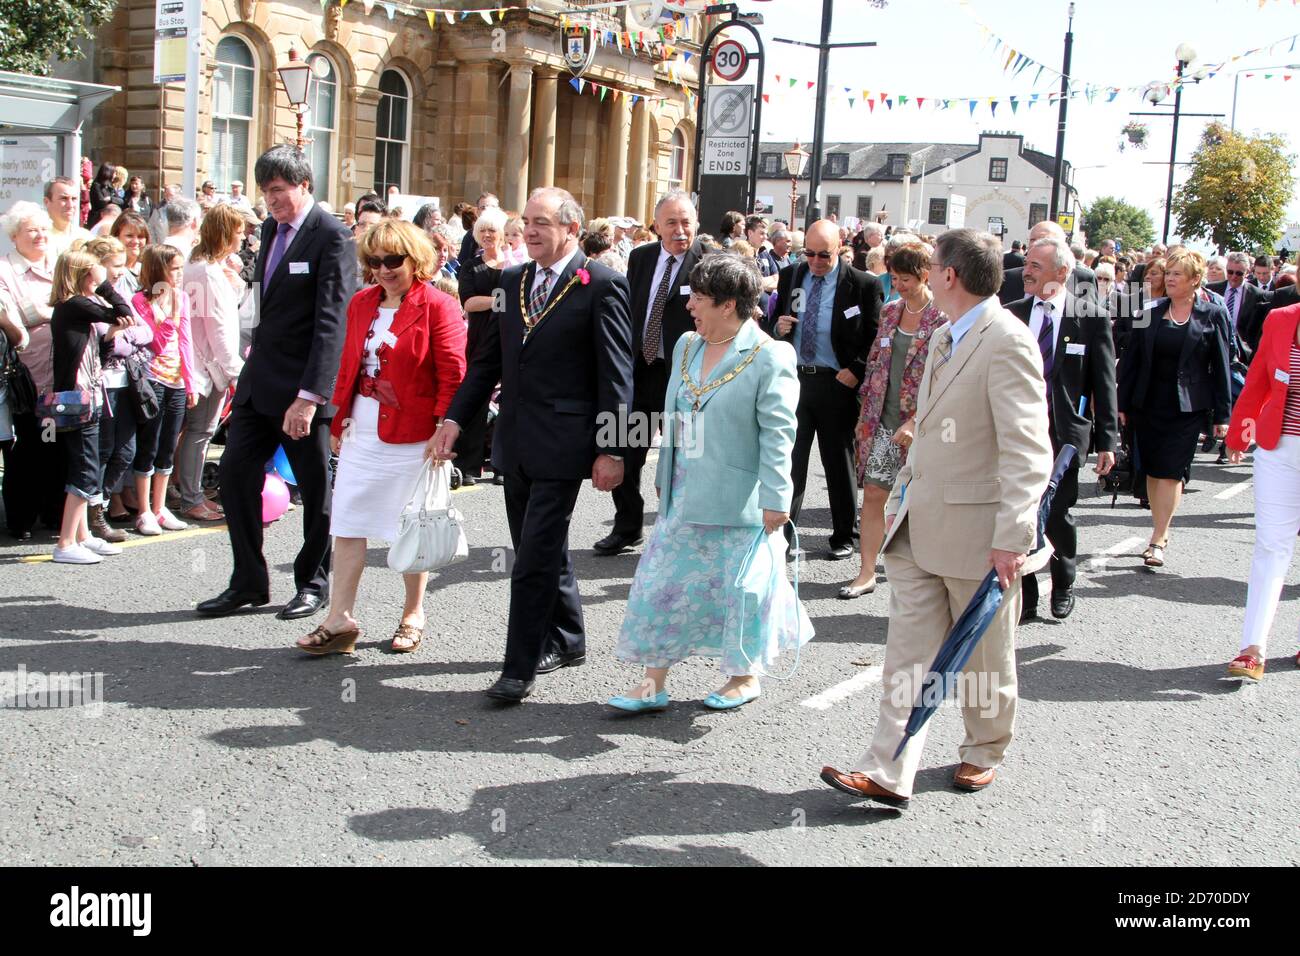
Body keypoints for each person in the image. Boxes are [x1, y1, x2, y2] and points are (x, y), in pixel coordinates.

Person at [820, 228, 1053, 808]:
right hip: (918, 524)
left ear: (948, 275)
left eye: (933, 265)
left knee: (983, 655)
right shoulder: (947, 334)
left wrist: (1012, 538)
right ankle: (887, 770)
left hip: (979, 535)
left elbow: (1029, 452)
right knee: (907, 656)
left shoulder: (1007, 340)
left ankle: (983, 748)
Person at [430, 186, 633, 702]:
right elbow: (487, 363)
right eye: (528, 222)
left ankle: (518, 666)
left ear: (571, 227)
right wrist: (455, 418)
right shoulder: (513, 279)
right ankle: (569, 638)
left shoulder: (603, 284)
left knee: (533, 557)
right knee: (536, 547)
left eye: (542, 222)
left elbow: (618, 377)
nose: (532, 231)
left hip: (566, 445)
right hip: (516, 442)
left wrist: (614, 450)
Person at [609, 252, 804, 712]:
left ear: (730, 304)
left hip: (741, 500)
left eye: (699, 297)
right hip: (684, 492)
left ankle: (742, 675)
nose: (690, 304)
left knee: (739, 592)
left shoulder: (770, 355)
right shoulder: (685, 345)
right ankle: (652, 681)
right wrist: (664, 474)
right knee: (661, 585)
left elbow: (780, 434)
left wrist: (778, 498)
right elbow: (674, 418)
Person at [197, 145, 356, 620]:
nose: (272, 202)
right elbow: (265, 299)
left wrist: (310, 397)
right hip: (259, 381)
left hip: (303, 389)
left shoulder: (333, 236)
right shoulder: (270, 229)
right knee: (234, 474)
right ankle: (248, 580)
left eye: (280, 191)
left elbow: (333, 322)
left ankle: (313, 582)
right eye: (267, 193)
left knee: (315, 489)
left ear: (304, 184)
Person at [298, 219, 467, 656]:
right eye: (374, 261)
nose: (384, 269)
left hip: (415, 434)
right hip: (363, 429)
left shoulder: (437, 305)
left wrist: (441, 428)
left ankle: (413, 613)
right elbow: (348, 368)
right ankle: (340, 620)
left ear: (416, 259)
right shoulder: (360, 303)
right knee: (348, 523)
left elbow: (453, 374)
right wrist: (337, 422)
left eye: (393, 260)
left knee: (411, 526)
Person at [1006, 235, 1119, 620]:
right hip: (1019, 431)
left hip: (1065, 436)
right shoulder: (1012, 313)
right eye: (1027, 264)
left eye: (1036, 266)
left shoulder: (1090, 317)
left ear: (1062, 272)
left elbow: (1102, 382)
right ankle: (1028, 596)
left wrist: (1107, 441)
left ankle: (1064, 580)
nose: (1026, 272)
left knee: (1057, 511)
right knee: (1023, 513)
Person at [597, 189, 704, 556]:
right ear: (656, 225)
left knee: (685, 456)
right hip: (641, 372)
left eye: (686, 222)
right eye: (671, 222)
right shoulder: (641, 258)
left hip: (685, 378)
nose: (679, 230)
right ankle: (628, 527)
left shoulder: (707, 262)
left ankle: (679, 533)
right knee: (624, 449)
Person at [772, 219, 882, 559]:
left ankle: (844, 535)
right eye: (810, 254)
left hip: (836, 381)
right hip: (796, 379)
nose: (816, 262)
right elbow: (773, 321)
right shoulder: (793, 275)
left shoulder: (862, 284)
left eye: (824, 255)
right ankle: (783, 535)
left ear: (840, 250)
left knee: (838, 460)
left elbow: (876, 337)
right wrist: (778, 326)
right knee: (791, 459)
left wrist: (856, 370)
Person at [841, 242, 946, 599]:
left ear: (925, 275)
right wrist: (863, 416)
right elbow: (874, 364)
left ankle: (922, 578)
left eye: (906, 279)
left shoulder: (943, 319)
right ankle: (866, 572)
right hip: (882, 421)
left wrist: (917, 420)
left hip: (924, 427)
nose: (898, 285)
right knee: (873, 493)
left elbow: (946, 380)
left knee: (919, 505)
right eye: (895, 278)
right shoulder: (889, 312)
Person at [1117, 249, 1231, 569]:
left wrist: (1223, 415)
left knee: (1169, 471)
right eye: (1168, 273)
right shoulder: (1149, 310)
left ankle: (1158, 537)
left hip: (1187, 408)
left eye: (1177, 274)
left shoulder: (1212, 314)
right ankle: (1160, 525)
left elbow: (1220, 365)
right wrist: (1122, 404)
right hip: (1147, 402)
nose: (1168, 279)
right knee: (1152, 470)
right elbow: (1131, 362)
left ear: (1195, 280)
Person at [1224, 301, 1300, 679]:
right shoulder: (1280, 320)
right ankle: (1252, 648)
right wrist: (1240, 431)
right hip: (1279, 448)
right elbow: (1258, 381)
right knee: (1271, 545)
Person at [48, 249, 136, 564]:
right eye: (94, 274)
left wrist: (112, 333)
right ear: (83, 275)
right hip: (77, 398)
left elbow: (98, 347)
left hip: (89, 394)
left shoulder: (75, 310)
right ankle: (66, 542)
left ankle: (83, 536)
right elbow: (123, 310)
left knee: (87, 463)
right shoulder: (72, 305)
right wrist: (106, 287)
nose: (98, 279)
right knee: (85, 470)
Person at [177, 205, 247, 523]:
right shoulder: (206, 271)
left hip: (195, 364)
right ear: (225, 232)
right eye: (239, 230)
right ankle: (191, 498)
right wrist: (234, 371)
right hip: (206, 367)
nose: (243, 235)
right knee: (200, 431)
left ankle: (184, 491)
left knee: (189, 431)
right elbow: (217, 326)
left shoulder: (199, 264)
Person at [82, 237, 153, 544]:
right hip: (101, 386)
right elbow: (105, 340)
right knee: (102, 450)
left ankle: (100, 502)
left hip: (126, 383)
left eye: (124, 265)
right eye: (114, 266)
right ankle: (91, 515)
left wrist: (123, 335)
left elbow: (145, 331)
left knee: (126, 451)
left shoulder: (122, 293)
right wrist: (120, 336)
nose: (119, 272)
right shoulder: (89, 299)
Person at [0, 201, 63, 538]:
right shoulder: (5, 270)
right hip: (25, 376)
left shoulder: (58, 265)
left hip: (61, 374)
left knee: (54, 442)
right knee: (26, 446)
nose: (39, 235)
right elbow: (18, 316)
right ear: (14, 236)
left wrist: (49, 310)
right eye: (30, 230)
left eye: (42, 229)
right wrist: (56, 311)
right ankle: (20, 518)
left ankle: (53, 512)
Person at [129, 245, 197, 535]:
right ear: (158, 269)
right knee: (149, 443)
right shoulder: (140, 300)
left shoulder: (181, 297)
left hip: (176, 381)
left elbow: (186, 342)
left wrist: (190, 381)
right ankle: (143, 510)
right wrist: (167, 314)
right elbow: (153, 342)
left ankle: (160, 507)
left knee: (168, 446)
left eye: (182, 267)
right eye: (174, 268)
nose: (180, 274)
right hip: (151, 379)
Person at [454, 205, 509, 485]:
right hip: (480, 338)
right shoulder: (470, 266)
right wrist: (497, 301)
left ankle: (502, 465)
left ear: (503, 235)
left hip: (510, 338)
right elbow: (468, 302)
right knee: (477, 399)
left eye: (493, 230)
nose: (488, 235)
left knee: (508, 401)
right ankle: (469, 466)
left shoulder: (515, 266)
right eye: (483, 230)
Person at [998, 220, 1100, 315]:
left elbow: (1090, 320)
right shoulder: (1008, 278)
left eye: (1043, 240)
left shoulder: (1083, 279)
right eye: (1032, 240)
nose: (1036, 245)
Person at [1208, 251, 1269, 363]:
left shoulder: (1258, 295)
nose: (1234, 277)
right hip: (1213, 348)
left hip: (1242, 354)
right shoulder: (1211, 290)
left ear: (1247, 272)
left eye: (1239, 273)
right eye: (1230, 272)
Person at [44, 178, 91, 256]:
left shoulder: (85, 237)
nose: (70, 205)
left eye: (74, 199)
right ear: (46, 202)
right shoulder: (39, 239)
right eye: (64, 198)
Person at [458, 192, 499, 266]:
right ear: (477, 212)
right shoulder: (471, 235)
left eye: (492, 207)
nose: (487, 210)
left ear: (498, 210)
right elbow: (463, 264)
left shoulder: (508, 233)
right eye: (483, 207)